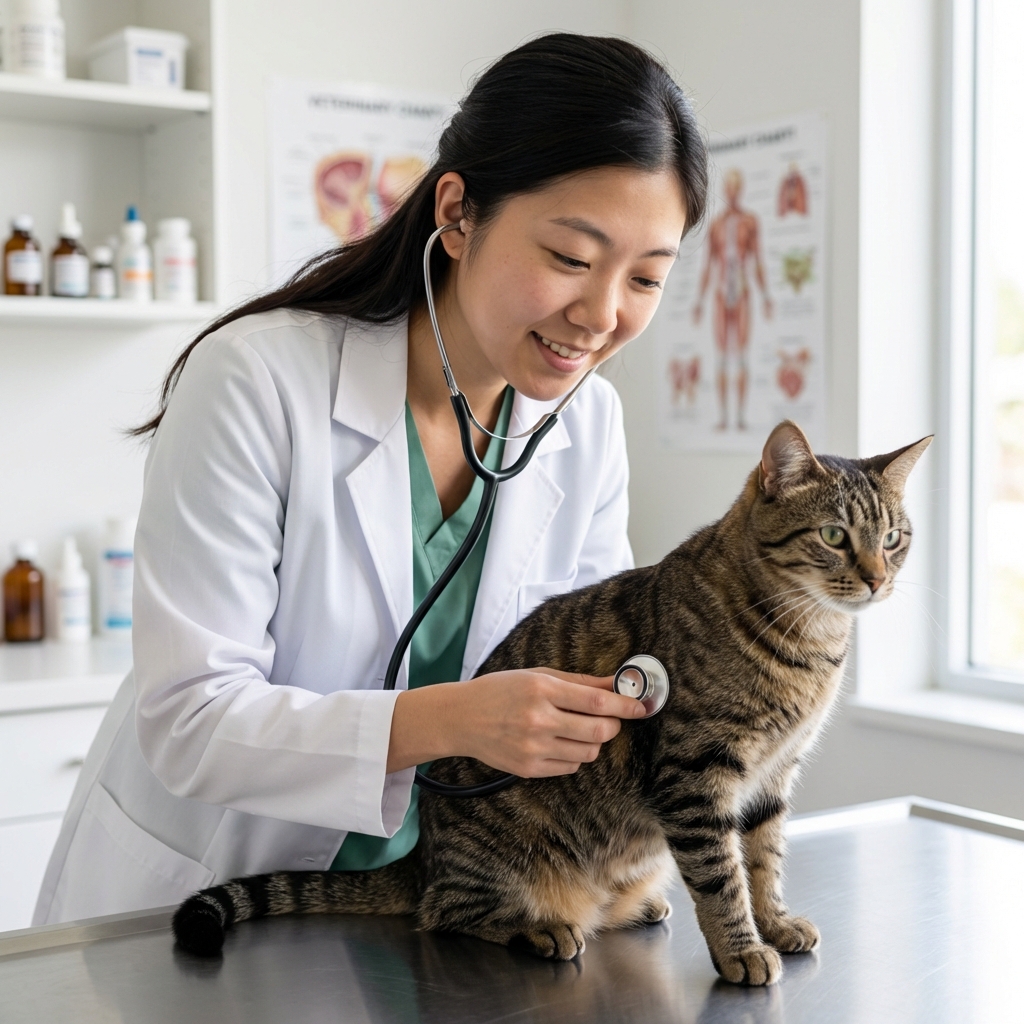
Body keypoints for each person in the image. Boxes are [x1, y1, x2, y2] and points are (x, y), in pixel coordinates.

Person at [33, 33, 708, 924]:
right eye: (572, 260)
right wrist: (457, 721)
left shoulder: (586, 425)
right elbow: (191, 721)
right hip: (214, 893)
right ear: (458, 213)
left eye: (648, 279)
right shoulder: (257, 381)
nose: (604, 314)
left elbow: (586, 660)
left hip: (443, 904)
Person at [692, 168, 772, 431]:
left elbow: (758, 261)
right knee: (722, 356)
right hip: (719, 296)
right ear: (726, 190)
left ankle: (739, 417)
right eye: (730, 186)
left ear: (742, 190)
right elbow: (708, 267)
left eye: (738, 187)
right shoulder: (715, 225)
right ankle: (725, 417)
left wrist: (766, 296)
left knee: (742, 356)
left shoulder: (750, 222)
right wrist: (699, 302)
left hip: (742, 295)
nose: (733, 192)